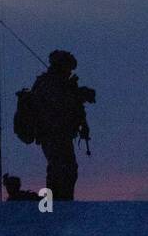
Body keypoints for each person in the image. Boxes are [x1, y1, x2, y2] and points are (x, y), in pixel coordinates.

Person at [24, 49, 95, 201]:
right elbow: (60, 105)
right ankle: (55, 205)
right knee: (60, 169)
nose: (69, 71)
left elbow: (71, 107)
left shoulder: (62, 84)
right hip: (52, 134)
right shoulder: (49, 83)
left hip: (61, 134)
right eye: (68, 67)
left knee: (65, 169)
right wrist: (79, 95)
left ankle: (60, 203)